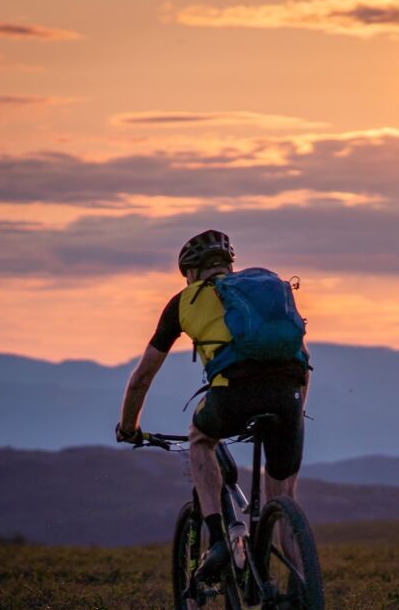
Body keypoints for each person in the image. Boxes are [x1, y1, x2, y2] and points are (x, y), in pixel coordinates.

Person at [115, 229, 310, 584]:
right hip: (288, 395)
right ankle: (302, 585)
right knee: (282, 495)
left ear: (190, 272)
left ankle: (219, 539)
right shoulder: (263, 294)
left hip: (231, 395)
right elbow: (302, 359)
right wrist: (295, 411)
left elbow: (142, 377)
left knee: (201, 438)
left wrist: (128, 426)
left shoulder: (184, 302)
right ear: (229, 265)